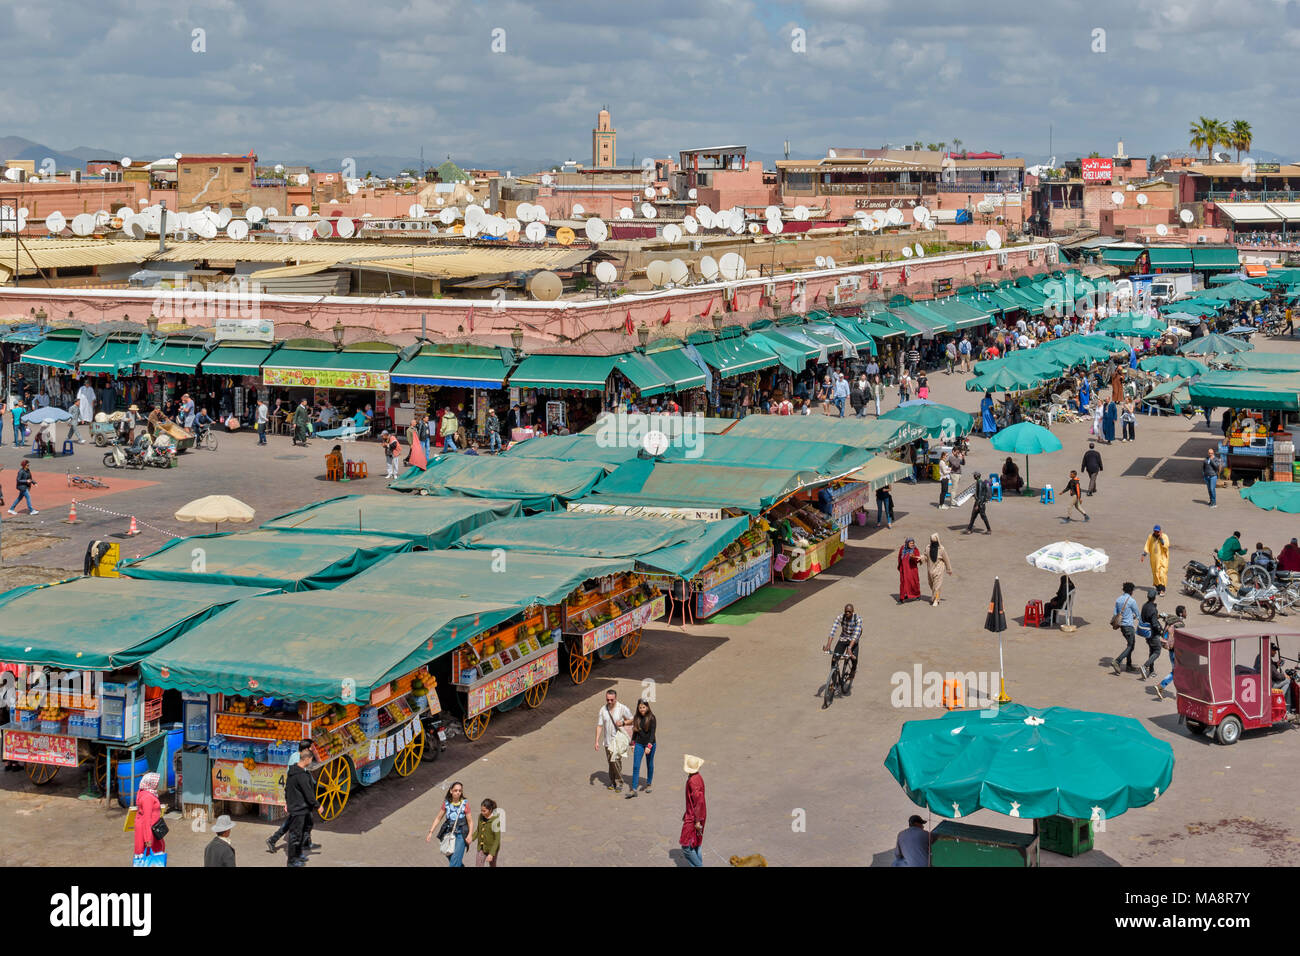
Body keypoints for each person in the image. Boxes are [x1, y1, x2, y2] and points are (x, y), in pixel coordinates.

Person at [283, 747, 321, 867]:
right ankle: (292, 861)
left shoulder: (294, 771)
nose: (311, 762)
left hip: (299, 808)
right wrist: (317, 805)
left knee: (299, 834)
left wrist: (288, 802)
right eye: (311, 759)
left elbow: (286, 789)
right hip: (298, 809)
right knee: (295, 836)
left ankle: (298, 856)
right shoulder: (301, 775)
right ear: (307, 759)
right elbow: (308, 793)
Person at [594, 688, 633, 792]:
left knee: (616, 761)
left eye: (612, 700)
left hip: (618, 741)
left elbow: (632, 719)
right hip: (607, 741)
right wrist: (597, 741)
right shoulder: (603, 710)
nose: (609, 702)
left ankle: (619, 781)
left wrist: (624, 723)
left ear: (616, 698)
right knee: (610, 762)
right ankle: (612, 781)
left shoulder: (622, 708)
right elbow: (599, 725)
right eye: (607, 700)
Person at [427, 782, 472, 867]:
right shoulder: (446, 803)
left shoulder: (465, 804)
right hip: (449, 833)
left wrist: (470, 835)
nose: (458, 792)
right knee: (450, 855)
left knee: (454, 862)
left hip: (461, 834)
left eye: (460, 790)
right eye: (455, 790)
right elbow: (438, 818)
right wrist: (431, 832)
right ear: (451, 791)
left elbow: (470, 821)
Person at [822, 603, 862, 688]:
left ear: (853, 612)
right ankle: (834, 682)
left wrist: (850, 648)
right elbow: (833, 631)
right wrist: (828, 645)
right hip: (843, 638)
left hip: (853, 641)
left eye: (849, 612)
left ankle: (853, 670)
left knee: (854, 658)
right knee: (834, 659)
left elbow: (855, 635)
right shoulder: (840, 617)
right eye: (846, 611)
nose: (847, 613)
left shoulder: (858, 619)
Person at [132, 771, 166, 865]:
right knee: (150, 856)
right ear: (150, 783)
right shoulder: (148, 797)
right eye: (156, 782)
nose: (157, 784)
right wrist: (148, 839)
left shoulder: (144, 793)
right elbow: (147, 819)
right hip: (148, 831)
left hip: (150, 829)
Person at [1153, 605, 1187, 700]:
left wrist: (1158, 616)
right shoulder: (1180, 625)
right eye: (1185, 611)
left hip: (1171, 650)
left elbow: (1163, 615)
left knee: (1176, 671)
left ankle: (1163, 687)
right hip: (1176, 651)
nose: (1186, 613)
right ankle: (1161, 686)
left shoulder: (1171, 618)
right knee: (1177, 671)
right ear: (1181, 613)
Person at [679, 754, 707, 867]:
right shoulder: (698, 777)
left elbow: (698, 801)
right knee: (696, 844)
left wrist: (697, 820)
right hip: (697, 814)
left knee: (686, 846)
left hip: (695, 817)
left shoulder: (693, 781)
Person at [628, 699, 656, 797]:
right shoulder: (636, 717)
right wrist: (632, 743)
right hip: (639, 744)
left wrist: (649, 746)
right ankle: (634, 789)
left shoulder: (652, 718)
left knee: (649, 764)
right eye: (640, 707)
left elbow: (652, 734)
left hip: (650, 744)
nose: (642, 709)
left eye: (643, 707)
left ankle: (648, 783)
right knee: (636, 766)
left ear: (647, 707)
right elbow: (635, 732)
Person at [1110, 582, 1140, 675]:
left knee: (1130, 644)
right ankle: (1117, 661)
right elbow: (1138, 614)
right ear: (1131, 591)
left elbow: (1116, 614)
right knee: (1131, 646)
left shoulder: (1118, 600)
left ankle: (1129, 665)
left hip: (1122, 626)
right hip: (1129, 626)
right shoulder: (1132, 601)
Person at [1137, 589, 1164, 680]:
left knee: (1152, 651)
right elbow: (1154, 624)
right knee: (1157, 651)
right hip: (1153, 634)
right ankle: (1145, 666)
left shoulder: (1145, 606)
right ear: (1155, 597)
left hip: (1146, 633)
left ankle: (1151, 671)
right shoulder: (1152, 609)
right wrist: (1160, 630)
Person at [925, 533, 954, 607]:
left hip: (939, 570)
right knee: (931, 585)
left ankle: (936, 600)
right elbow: (925, 557)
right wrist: (920, 558)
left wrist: (949, 569)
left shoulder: (941, 549)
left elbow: (946, 559)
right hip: (930, 570)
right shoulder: (928, 548)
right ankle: (935, 596)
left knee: (937, 587)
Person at [471, 799, 501, 867]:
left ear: (490, 810)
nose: (482, 812)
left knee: (492, 865)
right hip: (481, 848)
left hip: (492, 848)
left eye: (484, 811)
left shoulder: (495, 821)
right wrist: (471, 838)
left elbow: (497, 839)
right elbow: (478, 830)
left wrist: (491, 853)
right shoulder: (480, 817)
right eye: (481, 810)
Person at [1142, 526, 1170, 595]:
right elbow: (1147, 546)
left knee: (1162, 574)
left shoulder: (1164, 536)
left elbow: (1166, 545)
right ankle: (1158, 588)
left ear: (1160, 531)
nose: (1156, 532)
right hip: (1154, 559)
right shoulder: (1150, 537)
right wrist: (1144, 555)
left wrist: (1161, 539)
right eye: (1155, 531)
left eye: (1157, 531)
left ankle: (1163, 589)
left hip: (1163, 559)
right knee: (1156, 573)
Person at [897, 537, 922, 603]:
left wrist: (913, 557)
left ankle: (917, 595)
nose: (912, 544)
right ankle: (901, 598)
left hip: (912, 571)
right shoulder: (903, 548)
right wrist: (900, 567)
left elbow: (917, 560)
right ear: (907, 543)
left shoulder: (915, 550)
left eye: (913, 543)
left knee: (913, 583)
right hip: (904, 570)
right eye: (910, 543)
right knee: (903, 584)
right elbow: (899, 557)